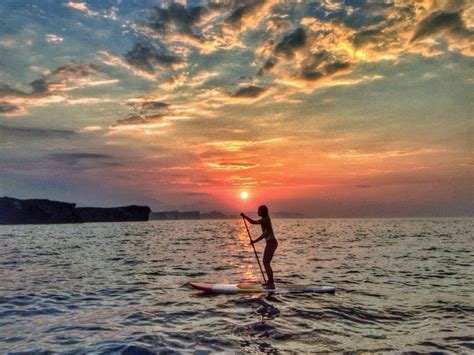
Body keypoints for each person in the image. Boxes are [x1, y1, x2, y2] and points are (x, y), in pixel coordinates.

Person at [241, 205, 278, 289]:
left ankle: (271, 284)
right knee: (266, 262)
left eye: (259, 211)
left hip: (271, 243)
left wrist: (244, 216)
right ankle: (269, 282)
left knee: (266, 262)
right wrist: (254, 241)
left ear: (263, 212)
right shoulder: (265, 221)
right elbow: (264, 235)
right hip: (270, 243)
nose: (257, 212)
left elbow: (253, 222)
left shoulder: (266, 219)